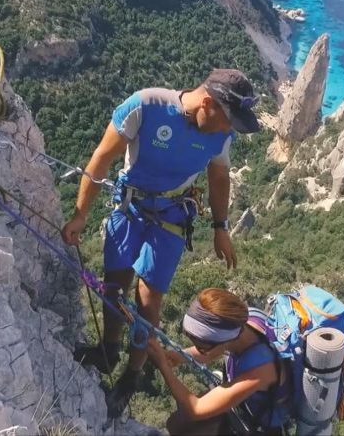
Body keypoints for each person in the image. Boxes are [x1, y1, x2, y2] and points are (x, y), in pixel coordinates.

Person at [61, 69, 262, 417]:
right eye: (227, 121)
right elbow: (102, 158)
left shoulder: (221, 135)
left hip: (172, 212)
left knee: (149, 299)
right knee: (114, 285)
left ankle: (132, 375)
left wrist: (221, 227)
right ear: (207, 103)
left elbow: (219, 177)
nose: (227, 130)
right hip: (131, 205)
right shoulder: (145, 106)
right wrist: (81, 215)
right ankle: (108, 351)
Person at [146, 288, 289, 435]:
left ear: (224, 341)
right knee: (176, 423)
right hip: (243, 405)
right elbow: (211, 351)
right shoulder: (240, 323)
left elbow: (195, 409)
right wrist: (178, 356)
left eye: (202, 346)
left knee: (184, 428)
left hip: (258, 426)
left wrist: (163, 366)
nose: (200, 349)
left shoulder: (262, 370)